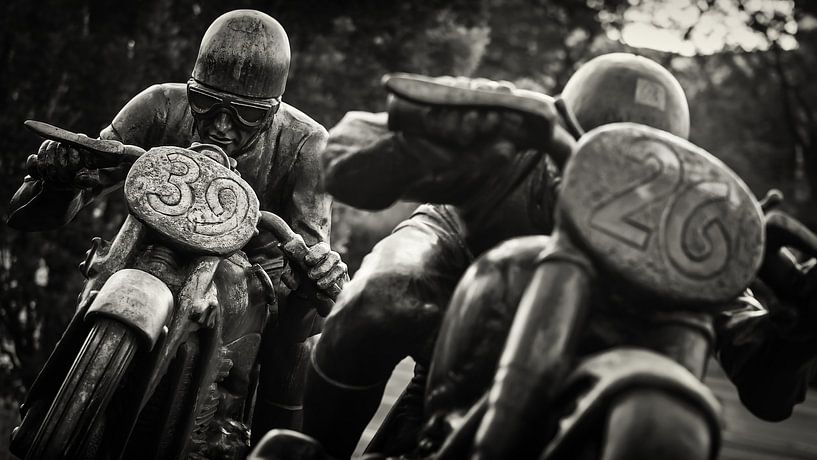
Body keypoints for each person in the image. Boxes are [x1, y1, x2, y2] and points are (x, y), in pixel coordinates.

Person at [299, 53, 689, 458]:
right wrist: (421, 145)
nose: (595, 190)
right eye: (584, 161)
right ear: (561, 124)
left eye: (628, 183)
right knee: (383, 297)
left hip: (564, 332)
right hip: (455, 254)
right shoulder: (515, 142)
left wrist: (757, 329)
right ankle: (317, 449)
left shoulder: (688, 227)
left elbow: (760, 387)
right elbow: (341, 156)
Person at [7, 9, 347, 444]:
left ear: (273, 111)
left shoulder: (306, 143)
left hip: (253, 281)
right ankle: (45, 408)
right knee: (98, 276)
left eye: (246, 115)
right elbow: (32, 213)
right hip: (143, 247)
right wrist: (58, 179)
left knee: (293, 354)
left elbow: (312, 254)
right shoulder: (159, 105)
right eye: (205, 104)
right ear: (190, 89)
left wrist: (315, 278)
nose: (222, 126)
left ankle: (260, 442)